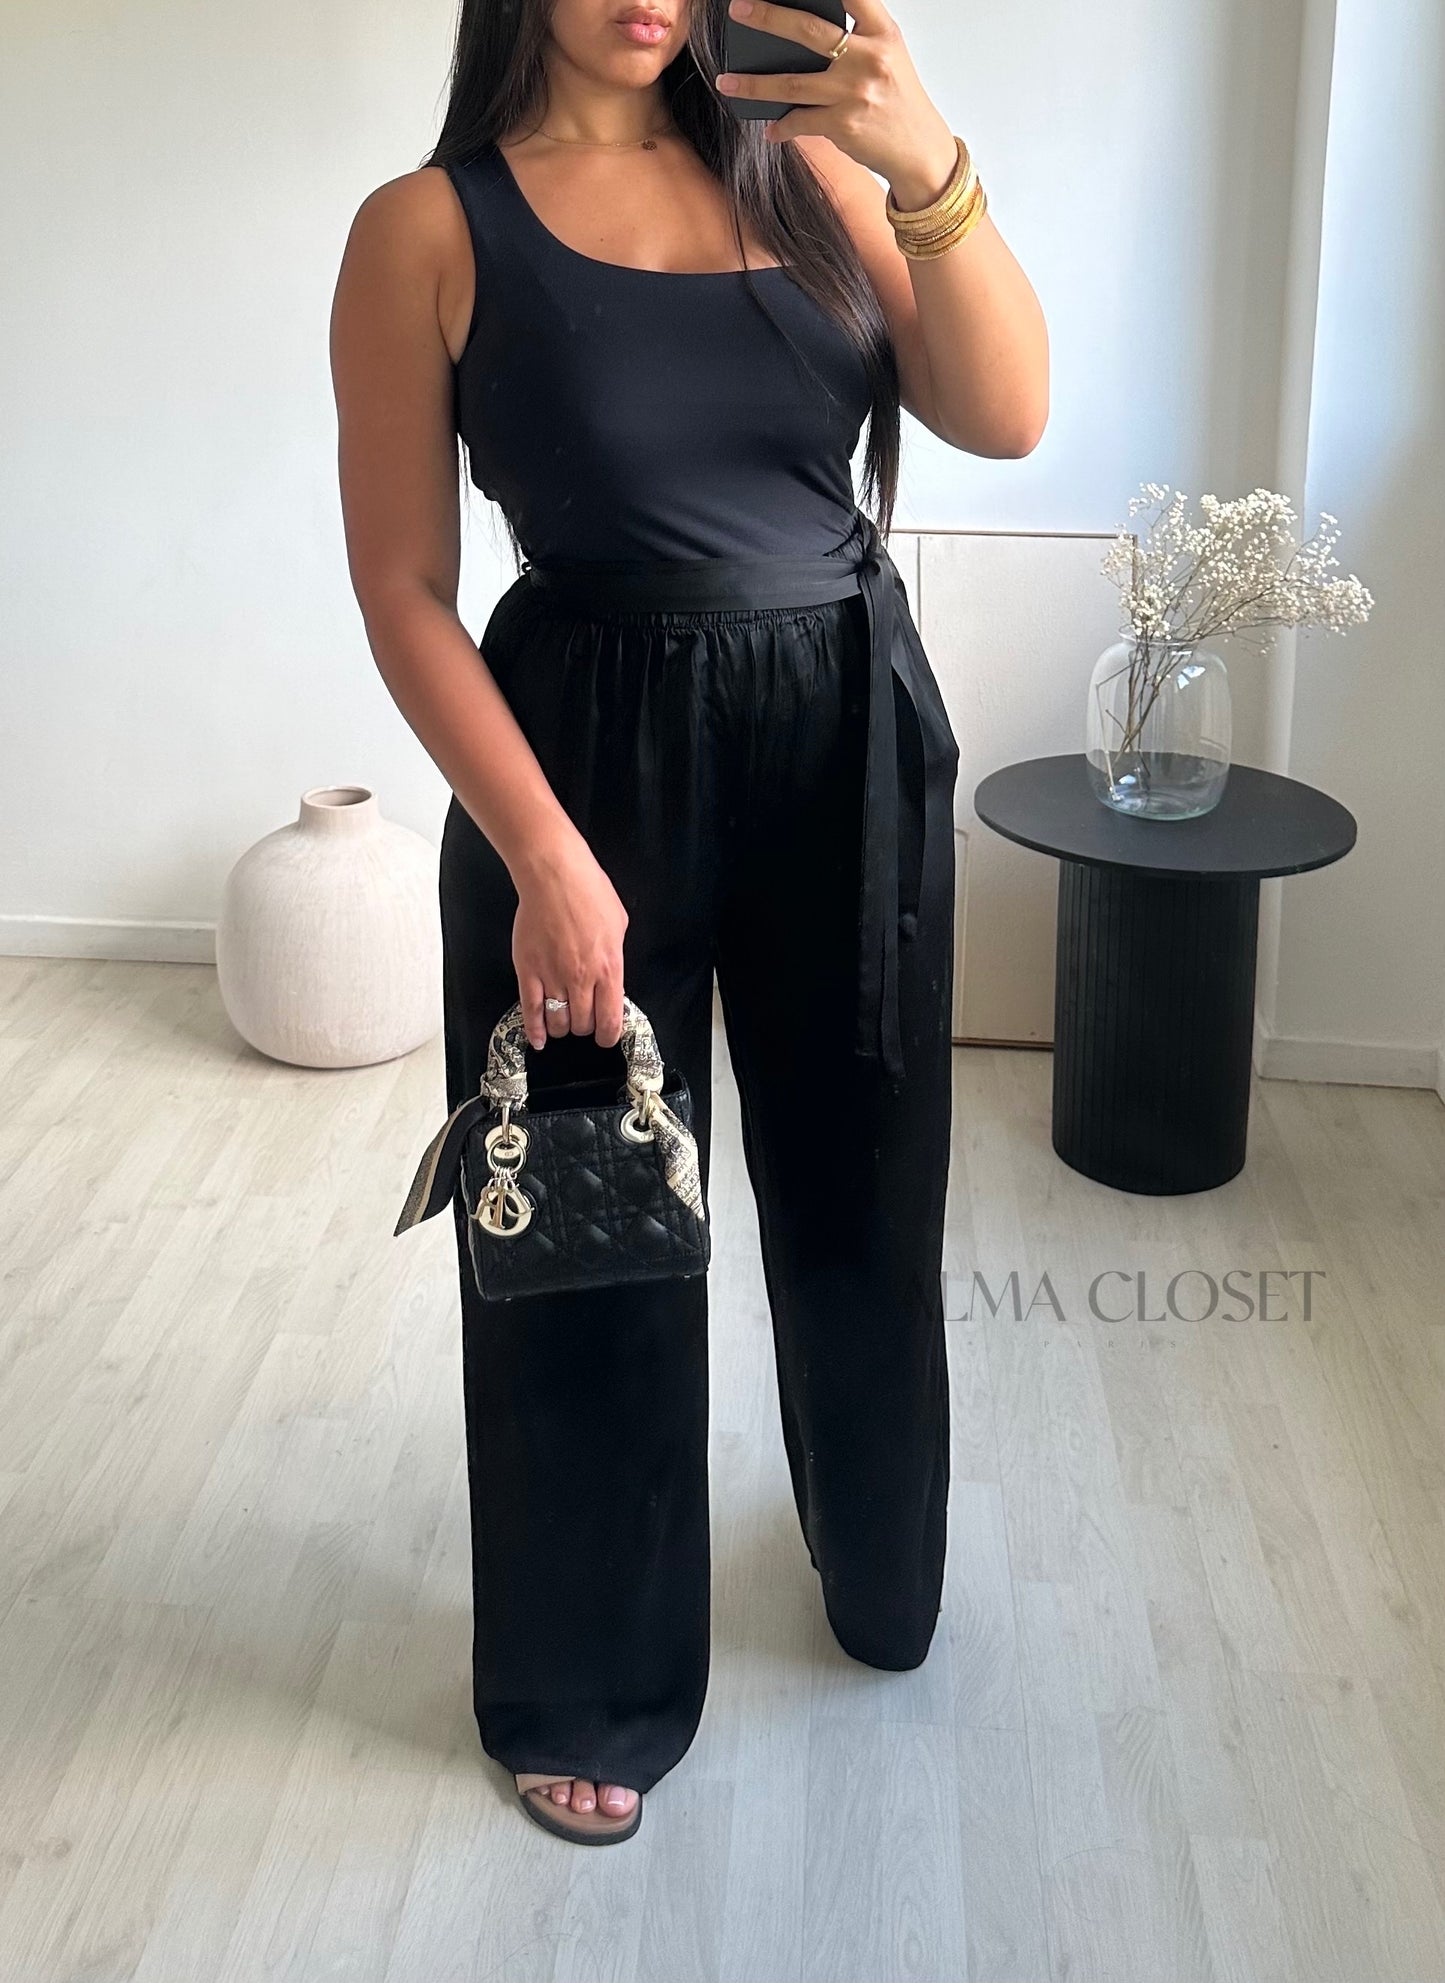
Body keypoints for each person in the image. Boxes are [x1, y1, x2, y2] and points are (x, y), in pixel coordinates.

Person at [331, 0, 1048, 1845]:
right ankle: (586, 1678)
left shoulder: (818, 173)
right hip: (576, 762)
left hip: (843, 734)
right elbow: (402, 587)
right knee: (592, 1232)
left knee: (864, 1192)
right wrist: (546, 859)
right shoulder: (428, 227)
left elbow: (1004, 415)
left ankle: (875, 1560)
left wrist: (925, 158)